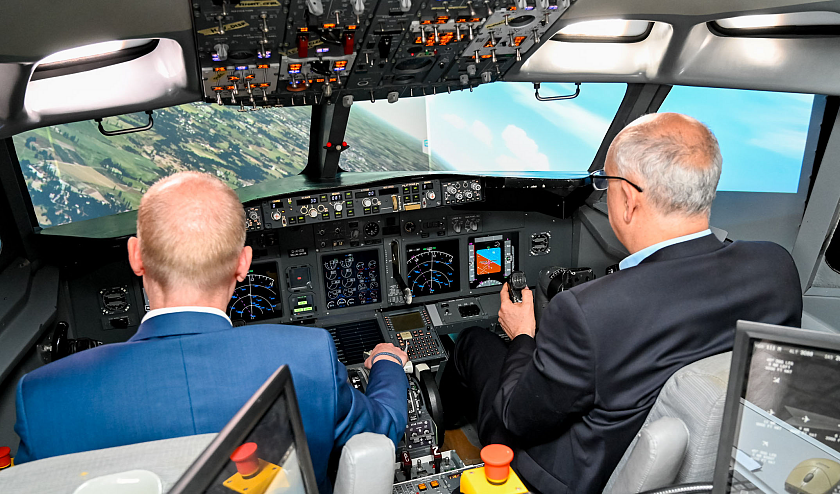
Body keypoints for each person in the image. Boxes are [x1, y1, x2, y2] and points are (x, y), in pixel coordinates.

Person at [442, 113, 803, 493]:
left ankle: (437, 431)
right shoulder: (775, 268)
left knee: (472, 343)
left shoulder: (589, 312)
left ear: (628, 200)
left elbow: (517, 417)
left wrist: (522, 335)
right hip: (706, 462)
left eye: (605, 184)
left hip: (574, 476)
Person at [14, 172, 408, 493]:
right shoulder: (308, 357)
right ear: (243, 264)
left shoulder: (43, 397)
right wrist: (387, 362)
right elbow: (382, 428)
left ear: (136, 257)